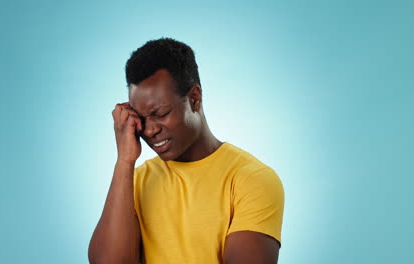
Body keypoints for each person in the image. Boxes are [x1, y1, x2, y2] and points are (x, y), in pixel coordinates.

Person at [88, 38, 285, 264]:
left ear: (194, 99)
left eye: (160, 114)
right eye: (140, 118)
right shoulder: (133, 181)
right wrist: (124, 161)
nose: (150, 130)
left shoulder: (252, 179)